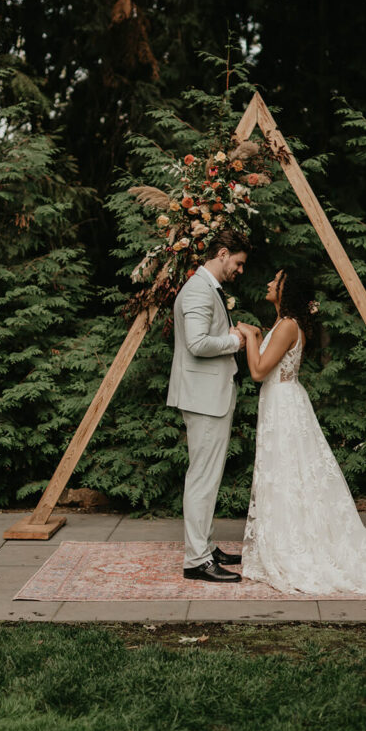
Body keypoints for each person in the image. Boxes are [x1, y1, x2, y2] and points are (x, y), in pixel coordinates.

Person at [237, 268, 366, 595]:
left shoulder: (288, 325)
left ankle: (294, 545)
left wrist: (250, 337)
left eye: (274, 280)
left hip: (283, 404)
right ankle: (292, 534)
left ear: (285, 290)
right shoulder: (284, 324)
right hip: (284, 402)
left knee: (286, 472)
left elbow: (258, 370)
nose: (268, 282)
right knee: (288, 474)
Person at [167, 231, 250, 583]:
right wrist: (234, 340)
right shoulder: (199, 290)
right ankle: (196, 560)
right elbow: (198, 343)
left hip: (208, 395)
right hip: (203, 399)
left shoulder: (206, 288)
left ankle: (205, 546)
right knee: (202, 477)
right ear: (222, 253)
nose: (241, 270)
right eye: (239, 263)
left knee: (208, 477)